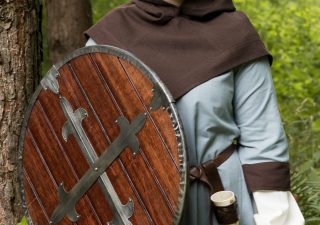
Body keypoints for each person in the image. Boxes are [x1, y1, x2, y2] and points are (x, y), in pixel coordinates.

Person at [85, 0, 305, 224]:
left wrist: (274, 217)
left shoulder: (235, 33)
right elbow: (86, 142)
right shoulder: (109, 35)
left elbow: (264, 140)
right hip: (140, 203)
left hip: (220, 203)